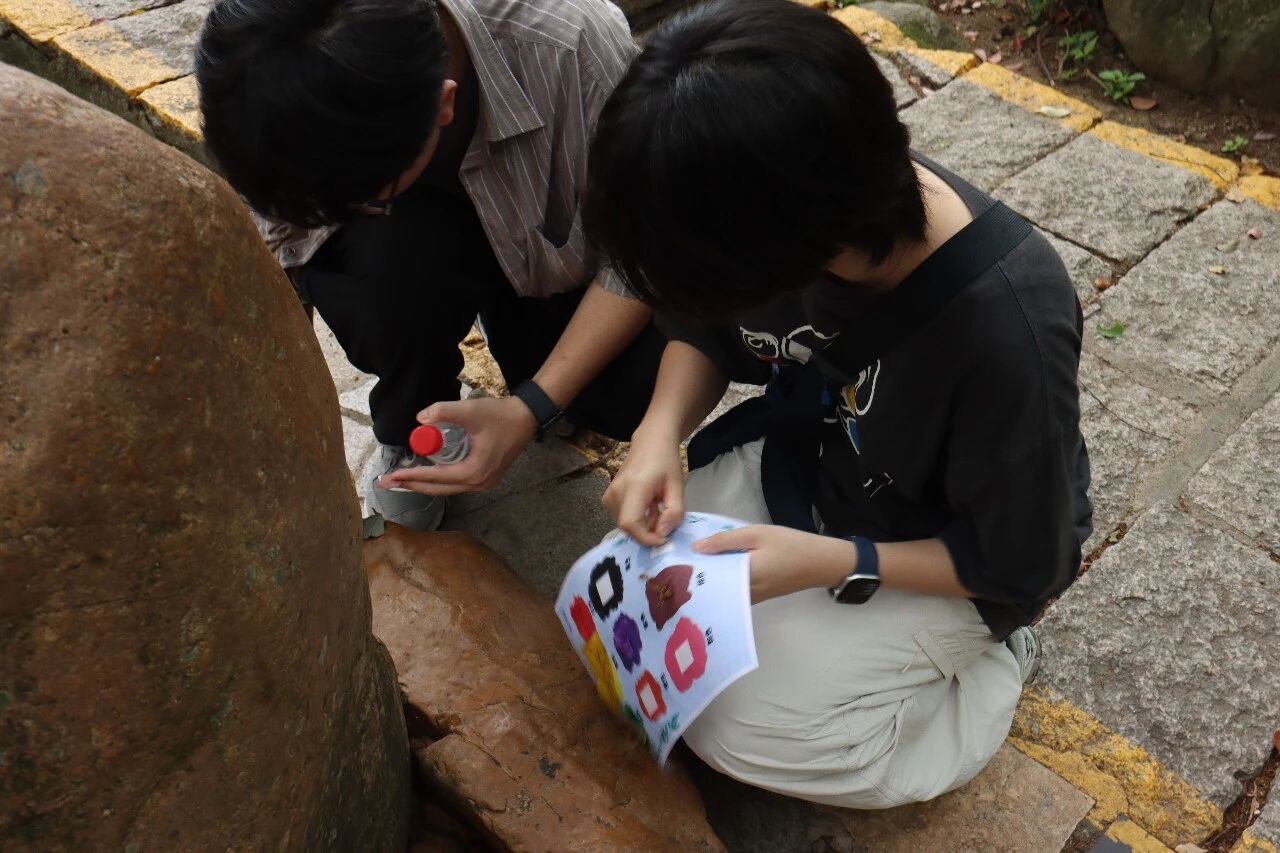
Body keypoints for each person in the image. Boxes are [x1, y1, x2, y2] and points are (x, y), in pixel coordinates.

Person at [583, 0, 1092, 808]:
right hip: (818, 465)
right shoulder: (789, 191)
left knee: (743, 730)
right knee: (623, 608)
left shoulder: (1005, 331)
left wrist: (835, 561)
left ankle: (991, 674)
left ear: (796, 253)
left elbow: (1025, 563)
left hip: (951, 554)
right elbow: (705, 332)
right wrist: (657, 435)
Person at [195, 0, 663, 530]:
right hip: (420, 238)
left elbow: (645, 254)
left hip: (545, 261)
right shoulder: (262, 66)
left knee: (625, 390)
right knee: (383, 270)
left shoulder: (574, 47)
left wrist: (531, 405)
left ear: (445, 103)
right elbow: (276, 255)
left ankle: (531, 360)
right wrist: (289, 436)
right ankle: (413, 428)